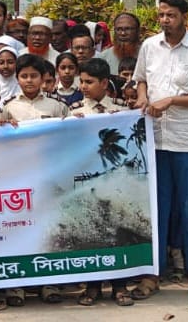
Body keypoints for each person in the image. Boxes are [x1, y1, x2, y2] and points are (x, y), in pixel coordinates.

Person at [132, 0, 188, 305]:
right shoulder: (149, 46)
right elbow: (141, 80)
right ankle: (153, 273)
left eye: (170, 15)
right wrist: (143, 97)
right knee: (158, 211)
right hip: (155, 140)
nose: (165, 20)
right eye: (161, 15)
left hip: (186, 142)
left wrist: (171, 101)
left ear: (184, 17)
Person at [66, 57, 135, 306]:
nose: (83, 87)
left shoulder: (122, 110)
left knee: (118, 228)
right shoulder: (74, 112)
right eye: (82, 81)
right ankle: (92, 286)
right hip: (87, 182)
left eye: (89, 82)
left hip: (116, 182)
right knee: (92, 230)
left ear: (104, 83)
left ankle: (120, 285)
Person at [0, 54, 69, 123]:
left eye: (34, 76)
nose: (29, 80)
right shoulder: (9, 106)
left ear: (42, 78)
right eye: (24, 76)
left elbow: (67, 126)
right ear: (17, 79)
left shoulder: (56, 104)